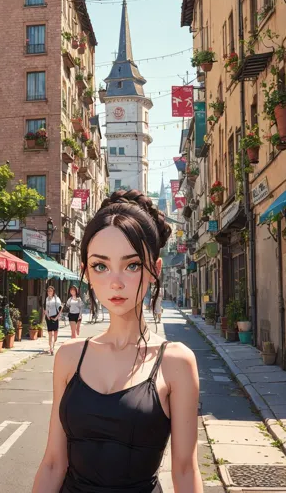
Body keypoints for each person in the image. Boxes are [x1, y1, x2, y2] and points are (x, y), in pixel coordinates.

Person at [33, 190, 202, 493]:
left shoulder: (175, 362)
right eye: (101, 266)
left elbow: (186, 471)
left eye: (132, 265)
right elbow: (53, 464)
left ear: (156, 270)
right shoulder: (69, 357)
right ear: (85, 270)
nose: (116, 282)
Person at [43, 286, 62, 355]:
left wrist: (57, 317)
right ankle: (51, 348)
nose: (49, 292)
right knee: (50, 333)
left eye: (51, 291)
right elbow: (45, 308)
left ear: (53, 292)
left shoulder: (56, 299)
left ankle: (53, 345)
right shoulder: (46, 299)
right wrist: (47, 315)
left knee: (55, 334)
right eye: (48, 291)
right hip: (48, 317)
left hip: (55, 316)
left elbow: (60, 308)